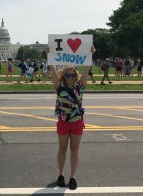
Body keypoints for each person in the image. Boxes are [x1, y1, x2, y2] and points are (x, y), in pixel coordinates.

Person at [45, 45, 95, 190]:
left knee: (75, 150)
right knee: (62, 149)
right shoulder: (59, 86)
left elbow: (86, 70)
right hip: (63, 123)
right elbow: (53, 70)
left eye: (73, 75)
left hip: (77, 122)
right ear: (64, 76)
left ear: (76, 76)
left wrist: (90, 54)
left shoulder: (80, 86)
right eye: (68, 75)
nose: (71, 78)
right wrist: (49, 55)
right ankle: (61, 175)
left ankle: (73, 177)